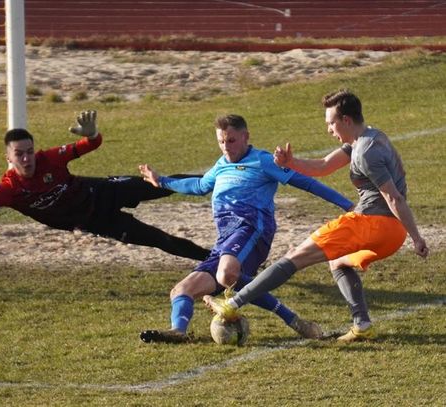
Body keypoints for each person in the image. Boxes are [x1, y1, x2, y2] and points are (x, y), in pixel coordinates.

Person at [204, 90, 429, 342]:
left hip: (373, 224)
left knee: (294, 257)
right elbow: (323, 166)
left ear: (345, 120)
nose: (329, 130)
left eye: (331, 123)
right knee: (339, 262)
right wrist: (290, 162)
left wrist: (417, 237)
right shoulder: (369, 137)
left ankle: (233, 303)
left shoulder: (365, 151)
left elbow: (394, 198)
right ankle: (362, 324)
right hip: (391, 232)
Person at [138, 113, 354, 343]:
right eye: (221, 141)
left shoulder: (262, 160)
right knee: (181, 290)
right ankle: (178, 331)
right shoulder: (221, 165)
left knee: (226, 274)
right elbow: (200, 185)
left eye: (231, 140)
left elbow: (307, 183)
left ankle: (285, 317)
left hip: (252, 228)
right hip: (225, 239)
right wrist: (161, 181)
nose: (225, 147)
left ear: (245, 137)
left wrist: (348, 205)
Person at [0, 110, 210, 261]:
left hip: (103, 191)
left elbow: (90, 144)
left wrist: (92, 133)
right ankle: (218, 264)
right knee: (161, 240)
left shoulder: (49, 159)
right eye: (19, 153)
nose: (27, 157)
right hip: (98, 221)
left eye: (29, 151)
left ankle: (220, 179)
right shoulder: (9, 190)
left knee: (162, 183)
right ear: (8, 157)